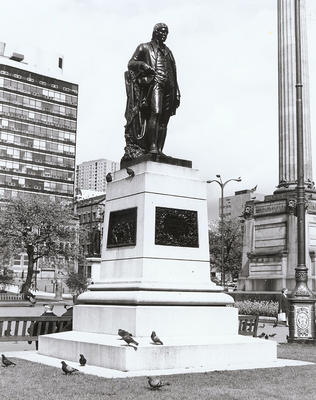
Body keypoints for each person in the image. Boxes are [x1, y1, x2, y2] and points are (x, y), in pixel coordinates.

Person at [123, 23, 180, 159]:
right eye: (162, 32)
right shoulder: (144, 47)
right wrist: (143, 65)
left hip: (169, 85)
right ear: (155, 32)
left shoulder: (168, 51)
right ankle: (152, 147)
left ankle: (159, 149)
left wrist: (177, 90)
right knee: (156, 113)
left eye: (166, 32)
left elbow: (174, 72)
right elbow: (131, 63)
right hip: (154, 83)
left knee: (165, 118)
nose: (164, 35)